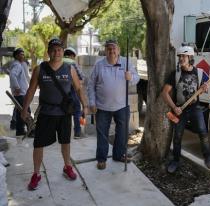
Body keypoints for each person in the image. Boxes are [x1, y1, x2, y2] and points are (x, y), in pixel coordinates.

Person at [21, 38, 88, 190]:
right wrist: (25, 109)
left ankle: (67, 166)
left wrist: (85, 106)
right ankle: (36, 174)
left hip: (64, 113)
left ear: (62, 51)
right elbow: (31, 90)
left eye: (59, 49)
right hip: (46, 113)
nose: (56, 52)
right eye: (53, 49)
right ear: (48, 51)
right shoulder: (40, 69)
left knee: (65, 142)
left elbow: (78, 89)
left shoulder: (69, 68)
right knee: (38, 144)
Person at [161, 45, 210, 173]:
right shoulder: (175, 74)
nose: (181, 59)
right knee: (178, 136)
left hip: (195, 108)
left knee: (203, 132)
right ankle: (176, 160)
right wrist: (174, 107)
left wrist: (203, 89)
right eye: (180, 56)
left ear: (190, 57)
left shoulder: (200, 73)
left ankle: (208, 159)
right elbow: (164, 93)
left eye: (184, 56)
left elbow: (201, 90)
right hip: (180, 109)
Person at [88, 39, 140, 170]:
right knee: (102, 134)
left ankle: (118, 155)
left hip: (122, 106)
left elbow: (136, 78)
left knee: (122, 133)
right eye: (109, 49)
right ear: (105, 51)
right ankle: (101, 158)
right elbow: (91, 85)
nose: (111, 51)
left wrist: (131, 78)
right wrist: (92, 102)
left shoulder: (126, 62)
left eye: (114, 48)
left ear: (118, 50)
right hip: (102, 106)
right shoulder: (99, 65)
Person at [63, 47, 84, 138]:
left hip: (59, 91)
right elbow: (81, 76)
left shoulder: (58, 61)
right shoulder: (72, 63)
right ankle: (77, 132)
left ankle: (62, 132)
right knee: (76, 110)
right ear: (72, 55)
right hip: (71, 89)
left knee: (63, 111)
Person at [9, 48, 30, 136]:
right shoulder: (17, 65)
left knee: (20, 112)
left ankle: (20, 130)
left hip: (22, 92)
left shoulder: (18, 64)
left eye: (23, 54)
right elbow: (12, 75)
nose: (23, 56)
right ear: (16, 56)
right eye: (21, 54)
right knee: (26, 111)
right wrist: (17, 87)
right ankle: (31, 129)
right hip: (20, 93)